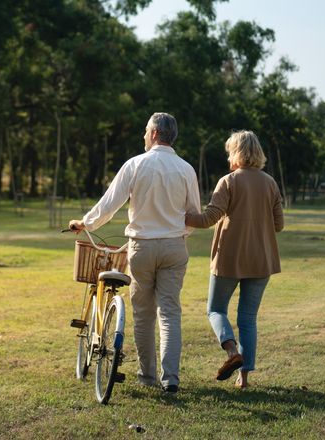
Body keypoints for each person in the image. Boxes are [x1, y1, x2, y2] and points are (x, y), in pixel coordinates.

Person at [69, 112, 201, 394]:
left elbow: (109, 204)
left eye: (145, 131)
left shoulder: (136, 165)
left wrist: (86, 223)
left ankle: (147, 375)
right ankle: (171, 379)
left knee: (143, 314)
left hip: (141, 247)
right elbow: (193, 215)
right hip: (174, 247)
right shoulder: (186, 169)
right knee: (170, 312)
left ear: (154, 134)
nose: (143, 135)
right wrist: (178, 234)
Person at [185, 130, 284, 388]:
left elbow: (208, 219)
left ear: (236, 153)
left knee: (215, 309)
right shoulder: (271, 183)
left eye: (230, 151)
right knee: (248, 318)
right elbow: (279, 225)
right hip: (261, 260)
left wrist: (179, 215)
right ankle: (243, 378)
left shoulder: (228, 182)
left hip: (229, 258)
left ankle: (232, 353)